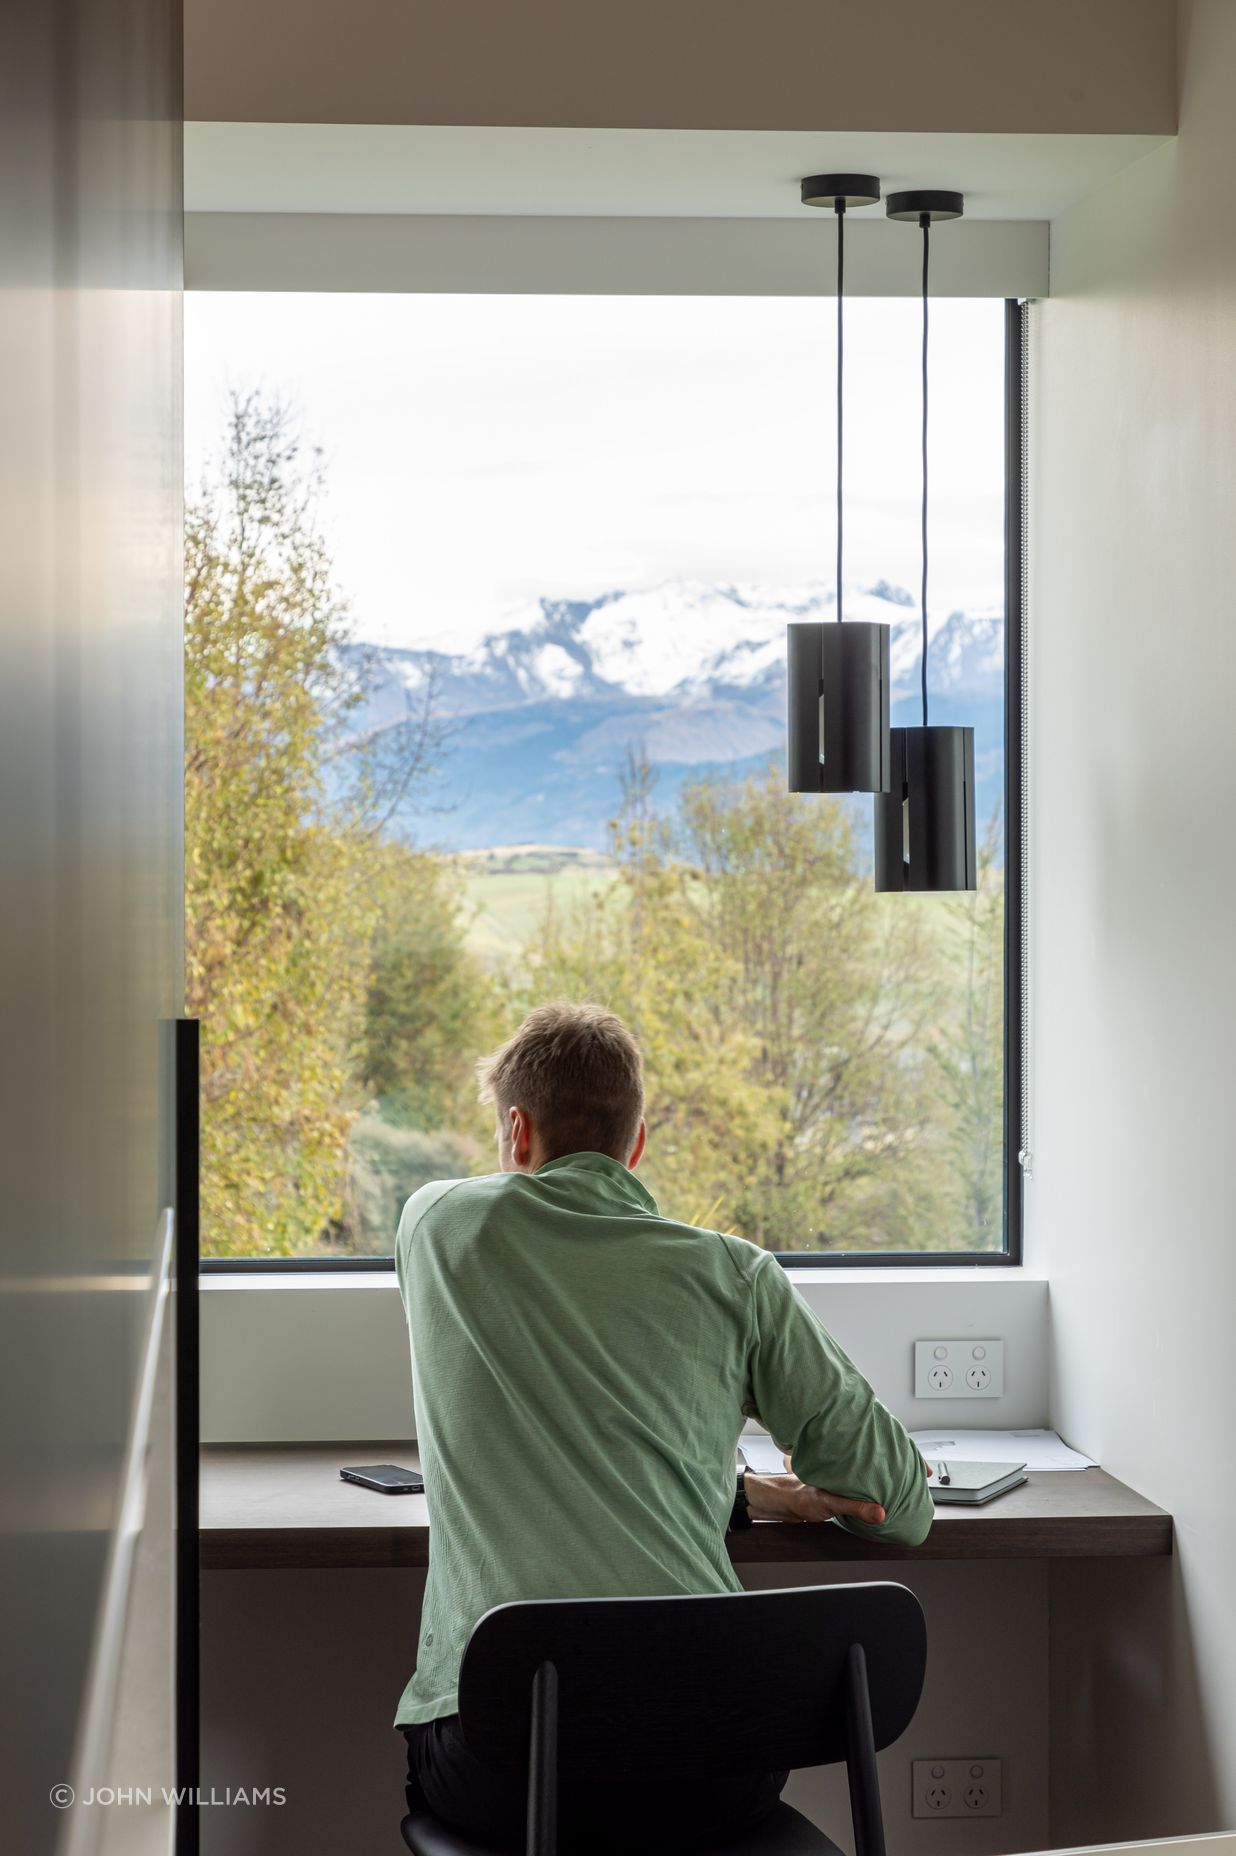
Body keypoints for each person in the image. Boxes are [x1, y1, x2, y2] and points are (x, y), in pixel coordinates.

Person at [394, 1000, 933, 1852]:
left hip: (510, 1776)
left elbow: (571, 1442)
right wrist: (758, 1492)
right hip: (714, 1769)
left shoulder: (439, 1225)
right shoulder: (736, 1275)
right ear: (635, 1146)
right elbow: (897, 1505)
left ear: (515, 1132)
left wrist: (736, 1496)